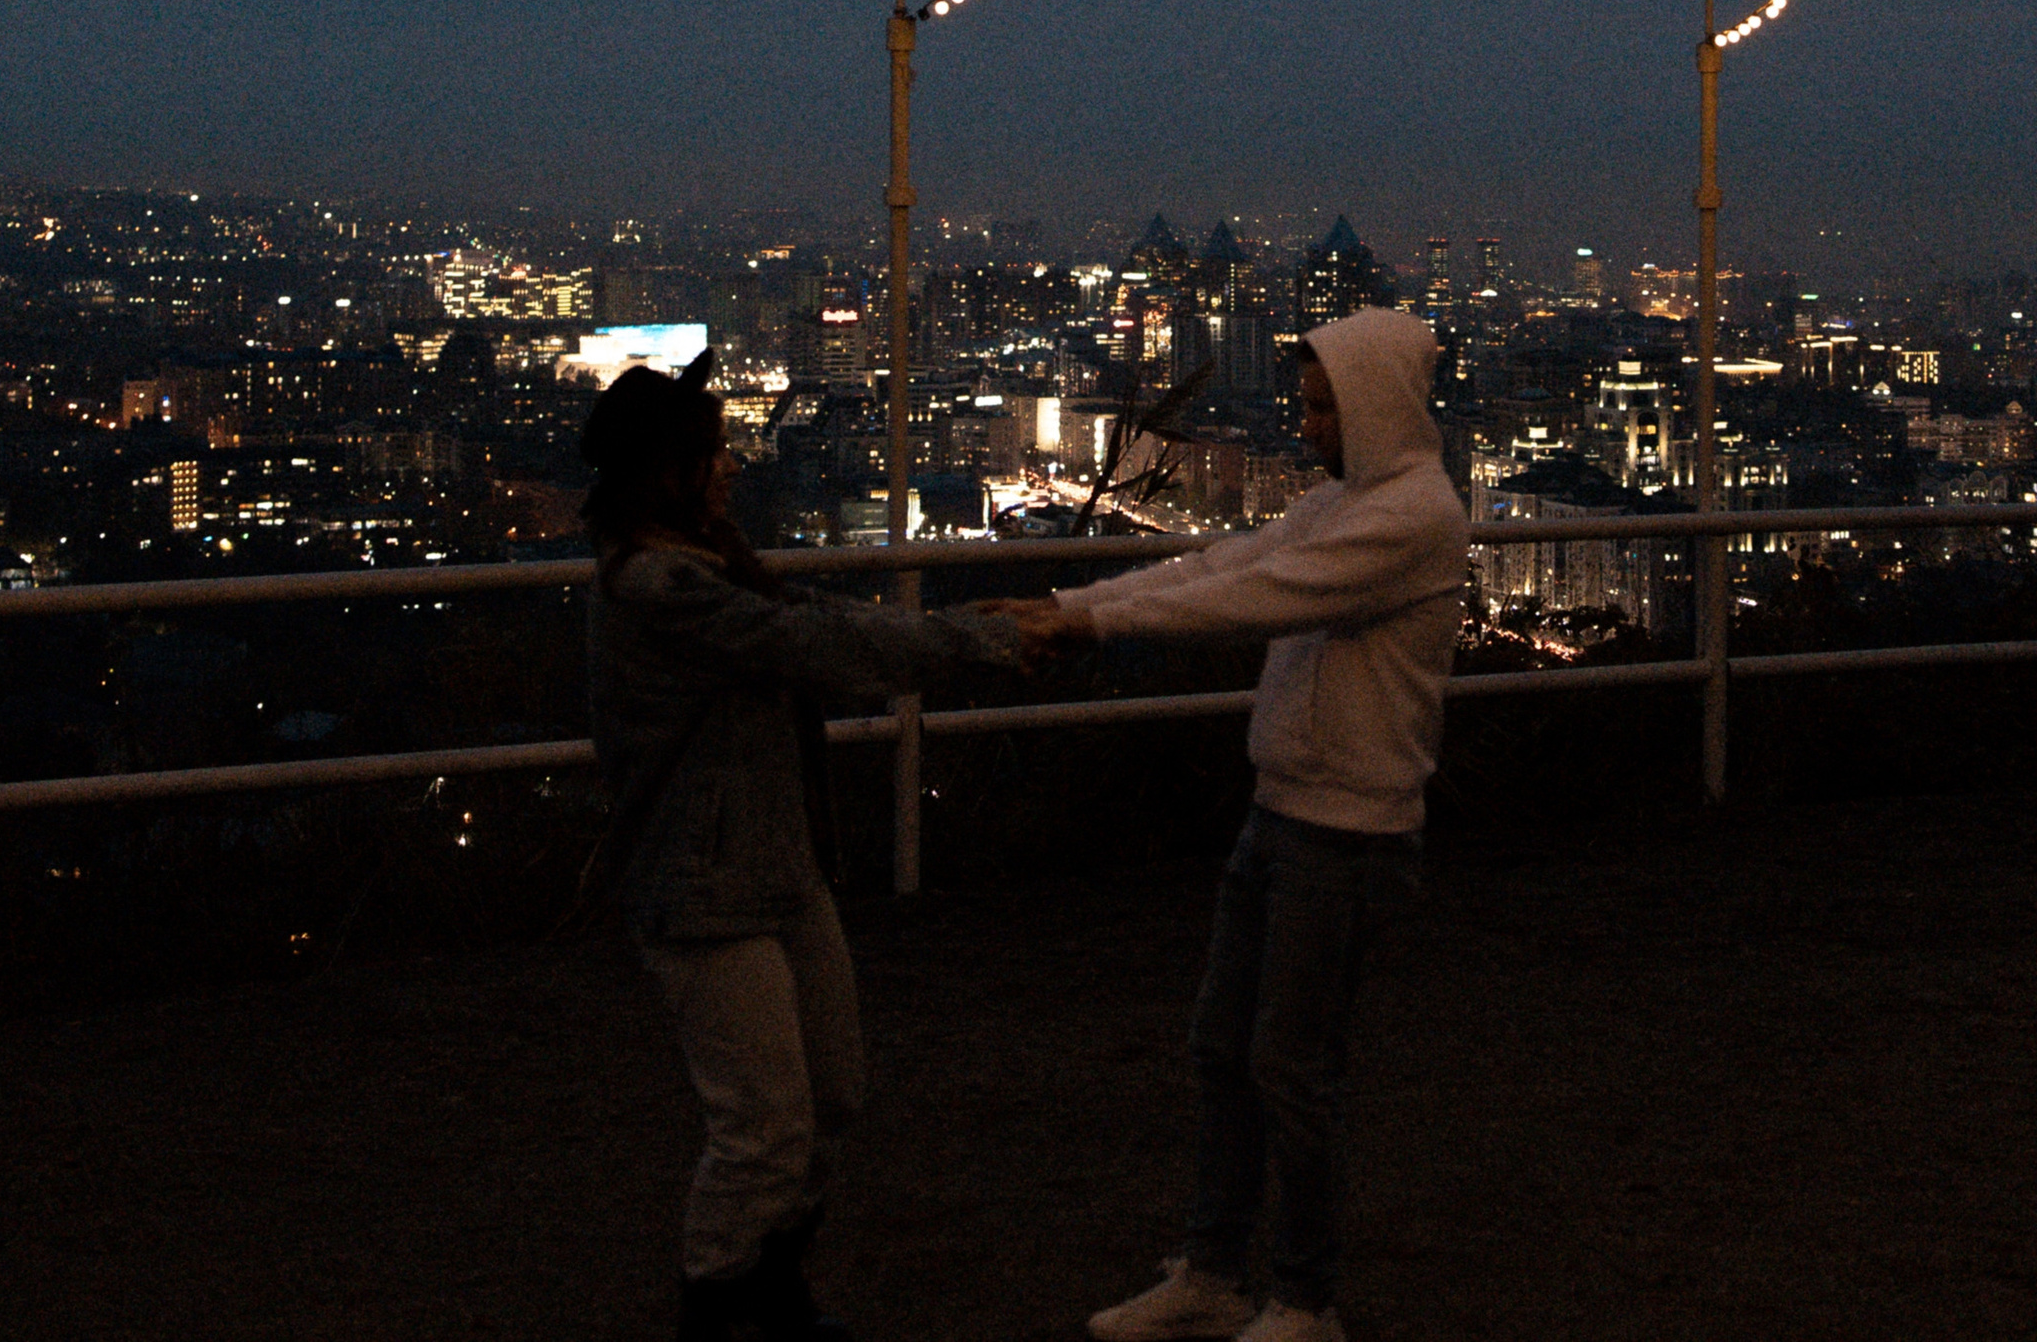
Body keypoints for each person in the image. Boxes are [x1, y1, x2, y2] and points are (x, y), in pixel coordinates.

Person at [997, 305, 1469, 1342]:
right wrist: (1079, 604)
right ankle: (1214, 1270)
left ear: (1375, 406)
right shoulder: (1351, 499)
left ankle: (1304, 1297)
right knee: (1226, 1049)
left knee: (1292, 1069)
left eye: (1318, 407)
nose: (1303, 425)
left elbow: (1256, 596)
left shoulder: (1408, 516)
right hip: (1284, 814)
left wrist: (1086, 620)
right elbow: (1221, 566)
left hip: (1345, 835)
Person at [583, 351, 1013, 1342]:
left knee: (829, 1096)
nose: (731, 466)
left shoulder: (700, 571)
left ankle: (768, 1295)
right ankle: (727, 1308)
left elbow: (810, 630)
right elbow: (812, 646)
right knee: (762, 1126)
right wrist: (978, 639)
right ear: (670, 475)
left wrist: (962, 628)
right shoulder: (661, 590)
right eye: (712, 453)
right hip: (702, 890)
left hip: (774, 870)